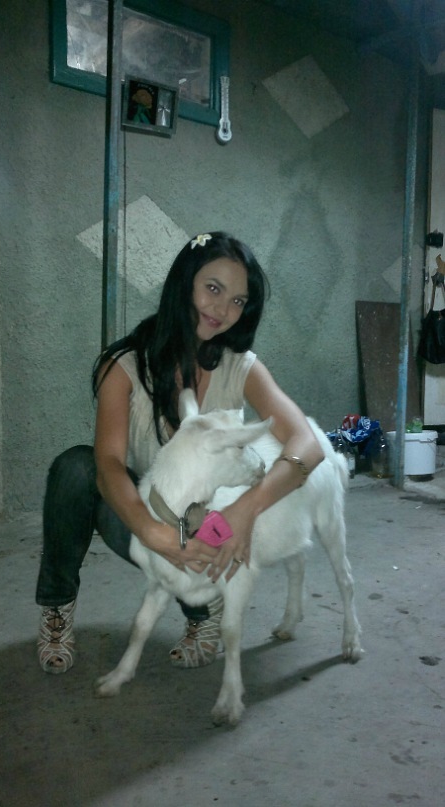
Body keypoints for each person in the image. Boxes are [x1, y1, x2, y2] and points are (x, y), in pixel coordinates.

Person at [36, 231, 325, 674]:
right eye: (213, 288)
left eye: (238, 301)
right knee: (75, 468)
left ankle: (202, 609)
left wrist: (247, 508)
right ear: (184, 283)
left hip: (211, 520)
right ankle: (56, 608)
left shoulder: (240, 366)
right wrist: (153, 534)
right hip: (148, 510)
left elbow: (307, 444)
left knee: (219, 511)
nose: (222, 310)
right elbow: (108, 464)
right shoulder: (125, 366)